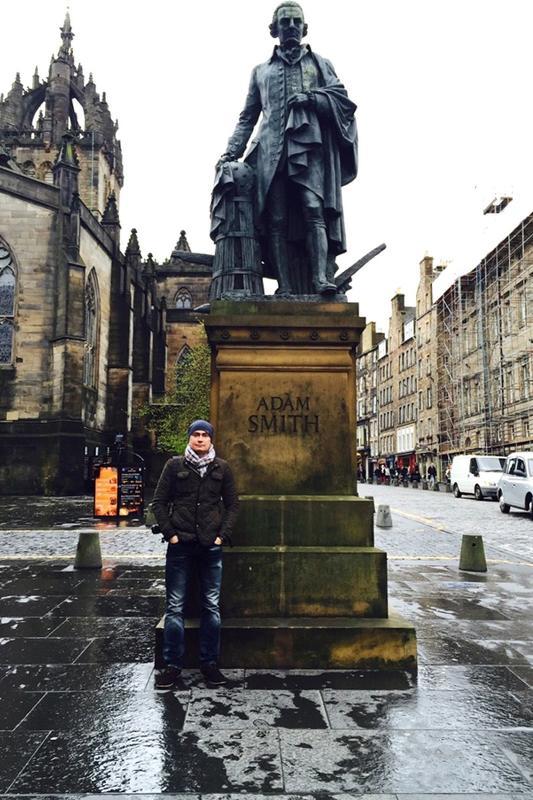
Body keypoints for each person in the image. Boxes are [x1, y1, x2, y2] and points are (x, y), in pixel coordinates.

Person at [217, 1, 358, 296]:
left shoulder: (320, 64)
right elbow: (248, 117)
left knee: (314, 209)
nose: (291, 26)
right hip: (270, 154)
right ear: (274, 29)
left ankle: (320, 279)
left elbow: (342, 101)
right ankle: (285, 287)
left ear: (304, 28)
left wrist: (312, 98)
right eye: (285, 22)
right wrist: (230, 152)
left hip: (309, 149)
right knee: (276, 220)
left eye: (296, 21)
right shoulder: (260, 72)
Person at [152, 420, 239, 689]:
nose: (200, 439)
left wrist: (221, 536)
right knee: (175, 606)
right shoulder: (174, 466)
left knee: (211, 606)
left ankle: (209, 664)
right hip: (181, 545)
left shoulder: (222, 468)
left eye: (205, 435)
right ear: (189, 438)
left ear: (211, 439)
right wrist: (171, 534)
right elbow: (159, 502)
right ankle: (172, 666)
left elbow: (233, 505)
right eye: (196, 434)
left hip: (210, 546)